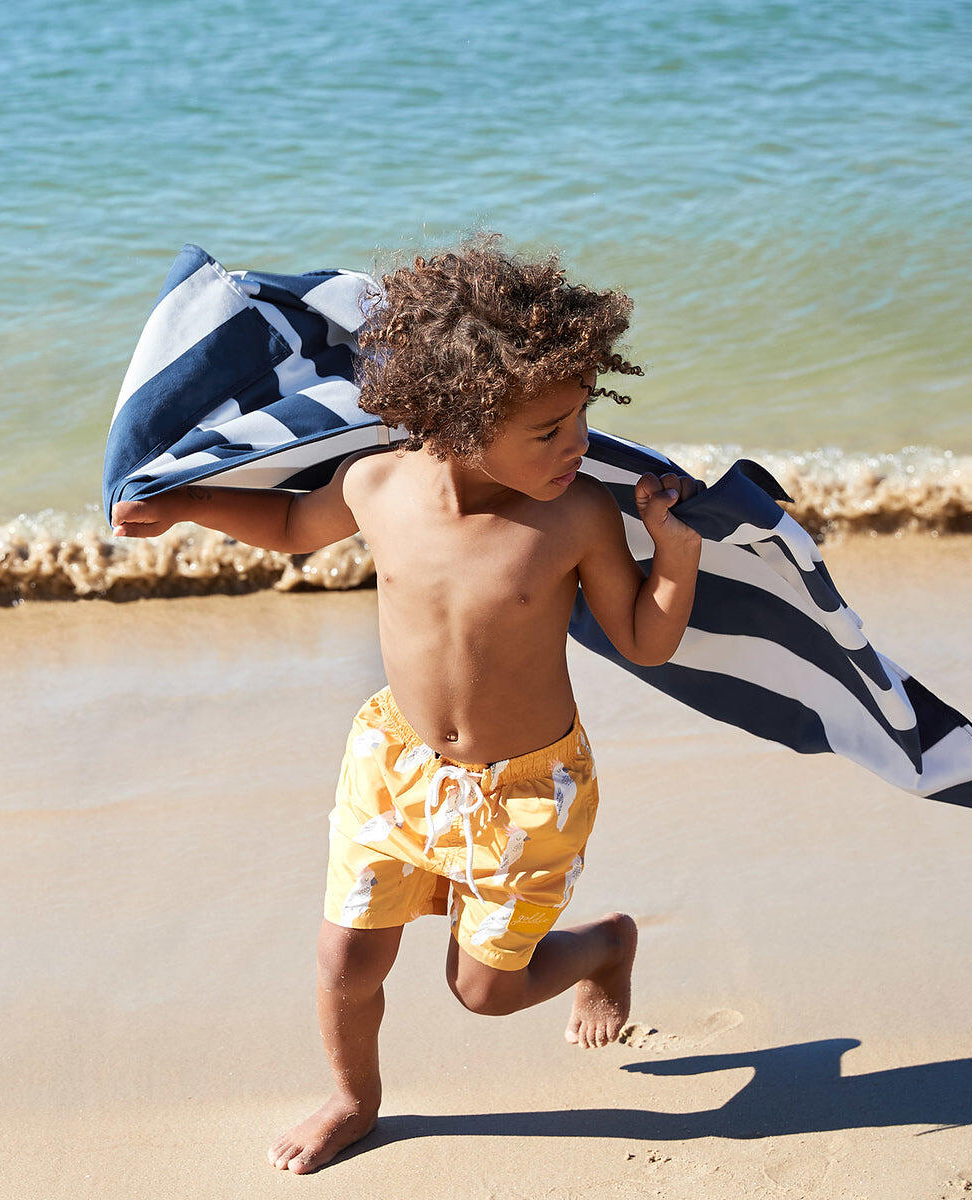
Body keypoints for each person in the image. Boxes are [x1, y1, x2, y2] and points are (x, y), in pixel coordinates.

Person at [110, 232, 704, 1175]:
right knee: (346, 960)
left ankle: (602, 948)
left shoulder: (576, 517)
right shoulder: (377, 483)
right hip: (396, 771)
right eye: (548, 432)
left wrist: (675, 557)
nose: (577, 445)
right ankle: (355, 1097)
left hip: (527, 793)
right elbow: (293, 530)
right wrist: (190, 504)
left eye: (580, 417)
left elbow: (643, 640)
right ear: (455, 421)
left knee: (484, 992)